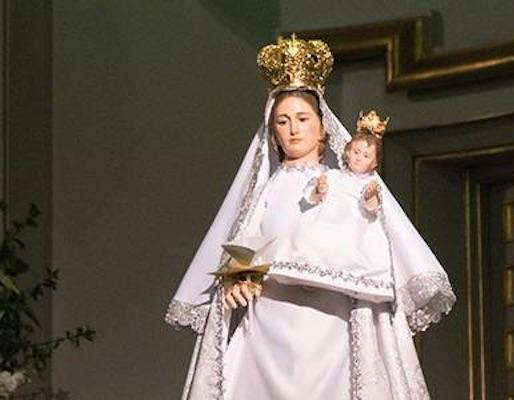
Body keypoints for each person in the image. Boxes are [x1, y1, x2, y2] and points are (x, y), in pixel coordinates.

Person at [165, 34, 456, 400]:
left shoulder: (346, 185)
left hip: (329, 326)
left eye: (302, 118)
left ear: (323, 127)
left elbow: (369, 242)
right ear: (272, 132)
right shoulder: (266, 190)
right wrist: (238, 279)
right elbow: (247, 242)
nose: (293, 128)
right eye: (282, 121)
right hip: (268, 328)